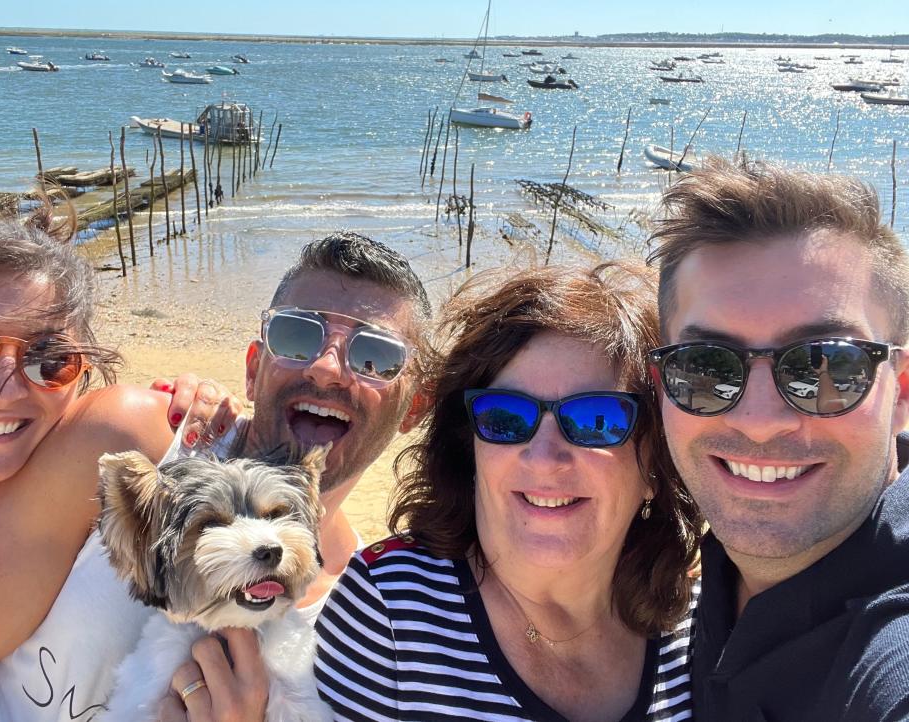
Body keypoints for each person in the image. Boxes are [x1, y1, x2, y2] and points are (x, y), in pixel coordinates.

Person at [314, 263, 702, 721]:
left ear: (657, 463)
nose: (544, 457)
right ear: (471, 446)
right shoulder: (390, 614)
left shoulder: (698, 626)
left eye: (598, 420)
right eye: (506, 417)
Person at [0, 202, 241, 722]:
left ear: (82, 376)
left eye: (50, 358)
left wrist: (213, 413)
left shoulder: (89, 463)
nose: (3, 387)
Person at [646, 158, 909, 720]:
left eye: (826, 366)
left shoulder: (890, 657)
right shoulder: (680, 589)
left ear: (902, 393)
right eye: (706, 366)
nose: (758, 419)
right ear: (662, 389)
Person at [154, 231, 431, 721]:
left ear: (415, 408)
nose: (326, 368)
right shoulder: (146, 444)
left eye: (375, 357)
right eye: (298, 335)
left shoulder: (356, 616)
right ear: (254, 367)